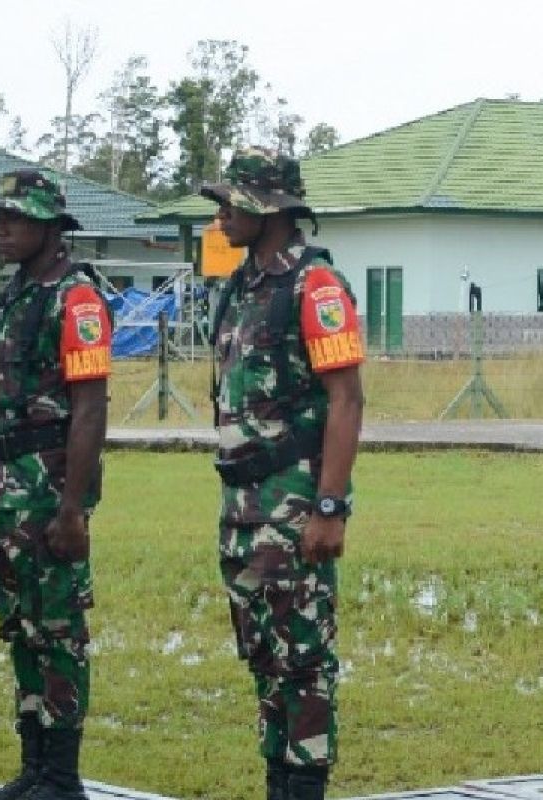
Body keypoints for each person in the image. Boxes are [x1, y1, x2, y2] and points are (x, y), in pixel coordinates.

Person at [202, 147, 365, 800]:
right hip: (242, 503)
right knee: (265, 658)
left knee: (302, 660)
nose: (219, 217)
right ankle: (279, 784)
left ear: (267, 208)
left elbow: (346, 398)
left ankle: (302, 789)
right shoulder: (244, 284)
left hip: (293, 504)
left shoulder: (314, 286)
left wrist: (330, 507)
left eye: (229, 203)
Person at [0, 170, 111, 800]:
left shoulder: (74, 299)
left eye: (15, 219)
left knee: (58, 632)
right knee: (21, 627)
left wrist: (73, 509)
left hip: (50, 490)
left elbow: (90, 408)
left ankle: (61, 775)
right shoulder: (17, 292)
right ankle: (33, 768)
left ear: (51, 228)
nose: (1, 230)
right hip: (8, 490)